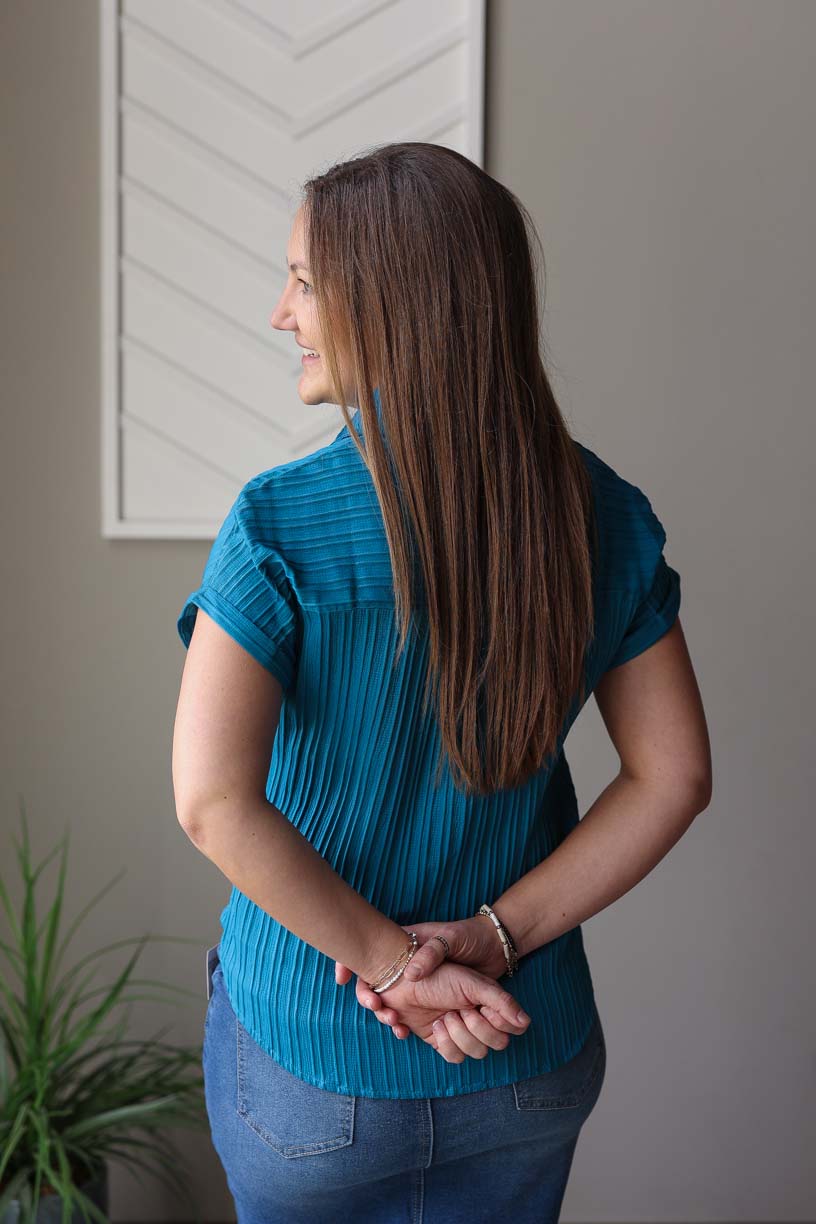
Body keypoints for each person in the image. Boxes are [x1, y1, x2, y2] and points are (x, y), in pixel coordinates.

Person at [172, 142, 712, 1223]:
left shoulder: (277, 527)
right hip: (524, 1051)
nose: (282, 312)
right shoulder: (604, 517)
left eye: (305, 282)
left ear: (393, 301)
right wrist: (493, 937)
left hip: (315, 1066)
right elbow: (674, 777)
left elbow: (211, 800)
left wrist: (387, 964)